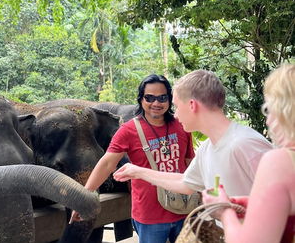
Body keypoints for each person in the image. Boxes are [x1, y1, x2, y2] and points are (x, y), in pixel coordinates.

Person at [70, 74, 195, 243]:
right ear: (141, 99)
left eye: (162, 98)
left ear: (170, 99)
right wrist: (83, 198)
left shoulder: (182, 125)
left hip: (184, 209)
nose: (156, 103)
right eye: (149, 98)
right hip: (150, 216)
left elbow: (190, 164)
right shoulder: (129, 130)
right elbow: (107, 164)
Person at [113, 70, 272, 197]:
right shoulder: (207, 148)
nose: (175, 115)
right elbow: (186, 183)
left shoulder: (245, 143)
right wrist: (137, 171)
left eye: (176, 106)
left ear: (192, 105)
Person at [202, 63, 295, 242]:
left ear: (285, 111)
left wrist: (223, 211)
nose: (267, 120)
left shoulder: (280, 162)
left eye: (268, 109)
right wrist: (258, 204)